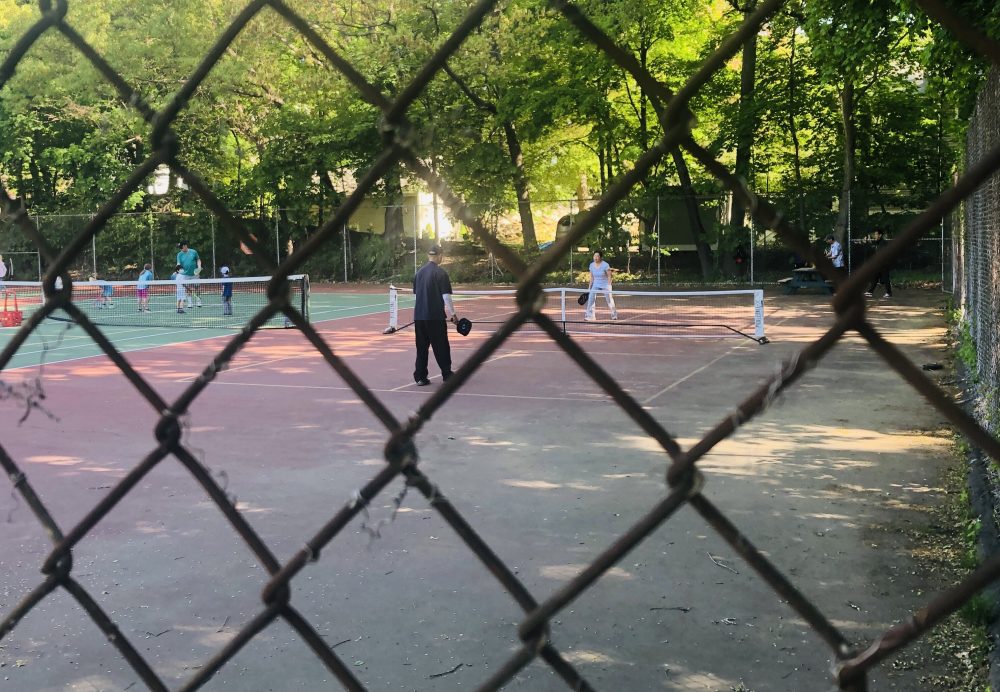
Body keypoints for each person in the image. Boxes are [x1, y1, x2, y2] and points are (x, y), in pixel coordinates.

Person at [412, 245, 457, 386]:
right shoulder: (441, 273)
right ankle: (447, 374)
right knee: (441, 346)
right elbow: (446, 297)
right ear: (439, 256)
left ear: (428, 255)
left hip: (419, 316)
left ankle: (420, 376)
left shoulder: (418, 273)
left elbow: (416, 294)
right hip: (435, 317)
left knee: (421, 347)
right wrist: (453, 314)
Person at [584, 250, 617, 321]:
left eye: (597, 256)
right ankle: (590, 316)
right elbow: (592, 277)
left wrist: (609, 285)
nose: (595, 258)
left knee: (609, 300)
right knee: (591, 299)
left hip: (605, 284)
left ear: (600, 257)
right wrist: (589, 287)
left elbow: (609, 276)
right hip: (596, 284)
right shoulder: (591, 265)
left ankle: (614, 315)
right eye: (594, 256)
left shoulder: (605, 265)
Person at [864, 229, 893, 299]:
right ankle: (870, 292)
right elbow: (873, 245)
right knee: (875, 278)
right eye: (875, 234)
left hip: (884, 264)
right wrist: (868, 241)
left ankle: (889, 293)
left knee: (886, 278)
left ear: (880, 235)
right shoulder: (878, 242)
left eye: (876, 234)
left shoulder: (884, 243)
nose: (875, 235)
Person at [175, 240, 203, 308]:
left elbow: (198, 260)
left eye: (182, 247)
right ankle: (190, 303)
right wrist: (177, 269)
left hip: (194, 274)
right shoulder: (179, 254)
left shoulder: (193, 252)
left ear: (185, 246)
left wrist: (199, 267)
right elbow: (178, 263)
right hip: (185, 275)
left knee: (197, 288)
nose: (181, 249)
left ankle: (198, 301)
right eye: (180, 248)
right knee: (187, 289)